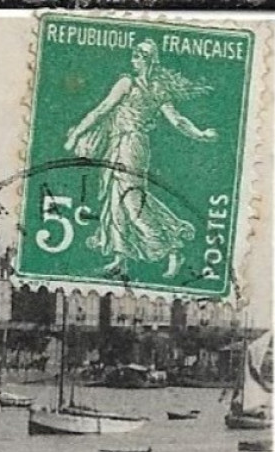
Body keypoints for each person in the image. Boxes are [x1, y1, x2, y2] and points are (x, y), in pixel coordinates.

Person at [63, 39, 218, 280]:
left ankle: (173, 247)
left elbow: (104, 110)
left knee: (132, 201)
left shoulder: (137, 86)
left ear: (148, 60)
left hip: (130, 146)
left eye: (138, 56)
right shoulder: (148, 87)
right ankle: (119, 259)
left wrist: (75, 134)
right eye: (134, 55)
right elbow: (104, 109)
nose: (134, 59)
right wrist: (201, 134)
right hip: (123, 145)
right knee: (115, 199)